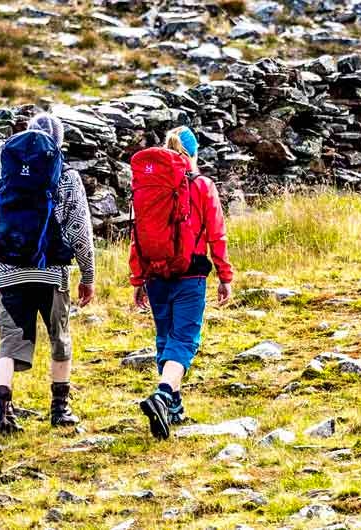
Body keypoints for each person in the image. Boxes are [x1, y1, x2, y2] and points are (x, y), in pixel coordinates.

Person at [0, 113, 96, 435]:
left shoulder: (7, 175)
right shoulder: (67, 176)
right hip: (52, 273)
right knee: (60, 337)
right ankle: (60, 409)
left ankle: (2, 411)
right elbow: (79, 230)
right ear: (59, 141)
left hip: (9, 272)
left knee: (10, 342)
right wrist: (88, 275)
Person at [128, 126, 234, 440]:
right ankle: (163, 395)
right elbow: (217, 234)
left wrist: (138, 277)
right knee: (184, 340)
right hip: (191, 273)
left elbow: (137, 234)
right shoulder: (202, 185)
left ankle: (173, 408)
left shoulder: (149, 187)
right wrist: (225, 276)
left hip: (155, 274)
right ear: (194, 152)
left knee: (166, 339)